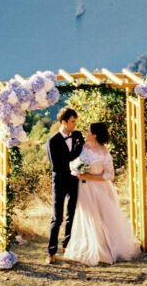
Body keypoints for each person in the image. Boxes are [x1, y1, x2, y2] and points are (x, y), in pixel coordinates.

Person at [64, 121, 141, 265]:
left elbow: (109, 175)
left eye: (88, 131)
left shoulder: (104, 153)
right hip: (85, 189)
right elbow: (76, 163)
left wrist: (88, 176)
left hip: (100, 189)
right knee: (89, 218)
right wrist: (77, 170)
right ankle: (94, 247)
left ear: (94, 135)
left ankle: (106, 250)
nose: (85, 133)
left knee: (103, 218)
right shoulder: (83, 147)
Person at [45, 106, 84, 264]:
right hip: (60, 182)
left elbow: (83, 153)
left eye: (75, 121)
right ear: (64, 122)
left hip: (74, 181)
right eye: (72, 121)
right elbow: (57, 165)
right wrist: (74, 161)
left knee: (71, 215)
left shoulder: (77, 135)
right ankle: (51, 251)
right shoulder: (52, 141)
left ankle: (67, 246)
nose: (75, 124)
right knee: (57, 218)